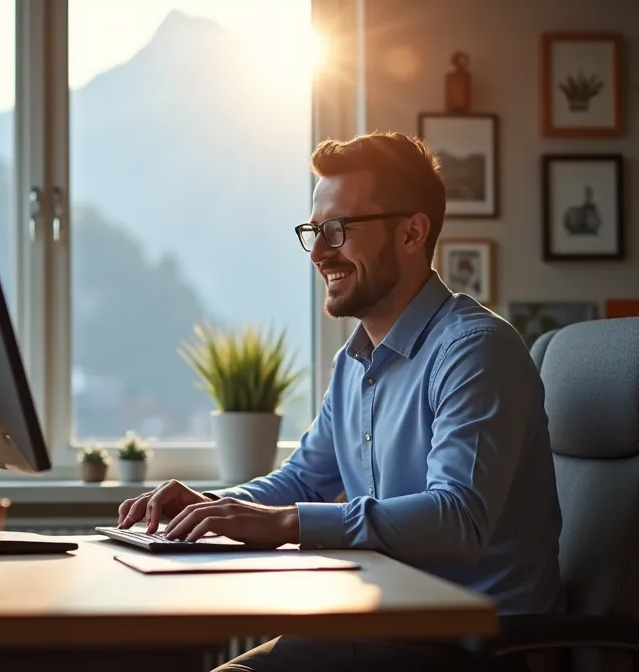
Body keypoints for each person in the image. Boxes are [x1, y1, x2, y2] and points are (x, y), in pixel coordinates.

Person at [116, 131, 564, 672]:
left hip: (464, 650)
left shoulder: (475, 351)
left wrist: (287, 524)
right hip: (372, 630)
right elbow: (302, 481)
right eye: (315, 231)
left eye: (338, 230)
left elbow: (457, 519)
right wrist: (209, 506)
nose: (321, 253)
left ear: (412, 232)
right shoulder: (354, 362)